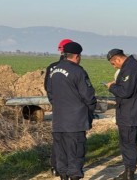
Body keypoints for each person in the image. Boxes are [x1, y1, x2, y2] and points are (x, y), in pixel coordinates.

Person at [47, 42, 97, 180]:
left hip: (58, 121)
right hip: (75, 122)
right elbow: (88, 96)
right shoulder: (78, 71)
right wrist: (89, 112)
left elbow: (50, 93)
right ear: (77, 56)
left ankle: (63, 177)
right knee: (75, 153)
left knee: (61, 154)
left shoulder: (53, 70)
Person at [105, 49, 137, 180]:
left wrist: (111, 86)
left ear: (118, 59)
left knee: (127, 143)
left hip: (129, 112)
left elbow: (125, 91)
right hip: (136, 110)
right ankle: (128, 171)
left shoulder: (129, 68)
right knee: (130, 142)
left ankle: (129, 173)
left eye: (114, 64)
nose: (115, 66)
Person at [44, 38, 73, 176]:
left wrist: (55, 103)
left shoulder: (52, 67)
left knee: (58, 138)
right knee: (71, 137)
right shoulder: (75, 69)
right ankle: (68, 166)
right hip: (72, 110)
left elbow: (48, 88)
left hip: (58, 108)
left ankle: (56, 167)